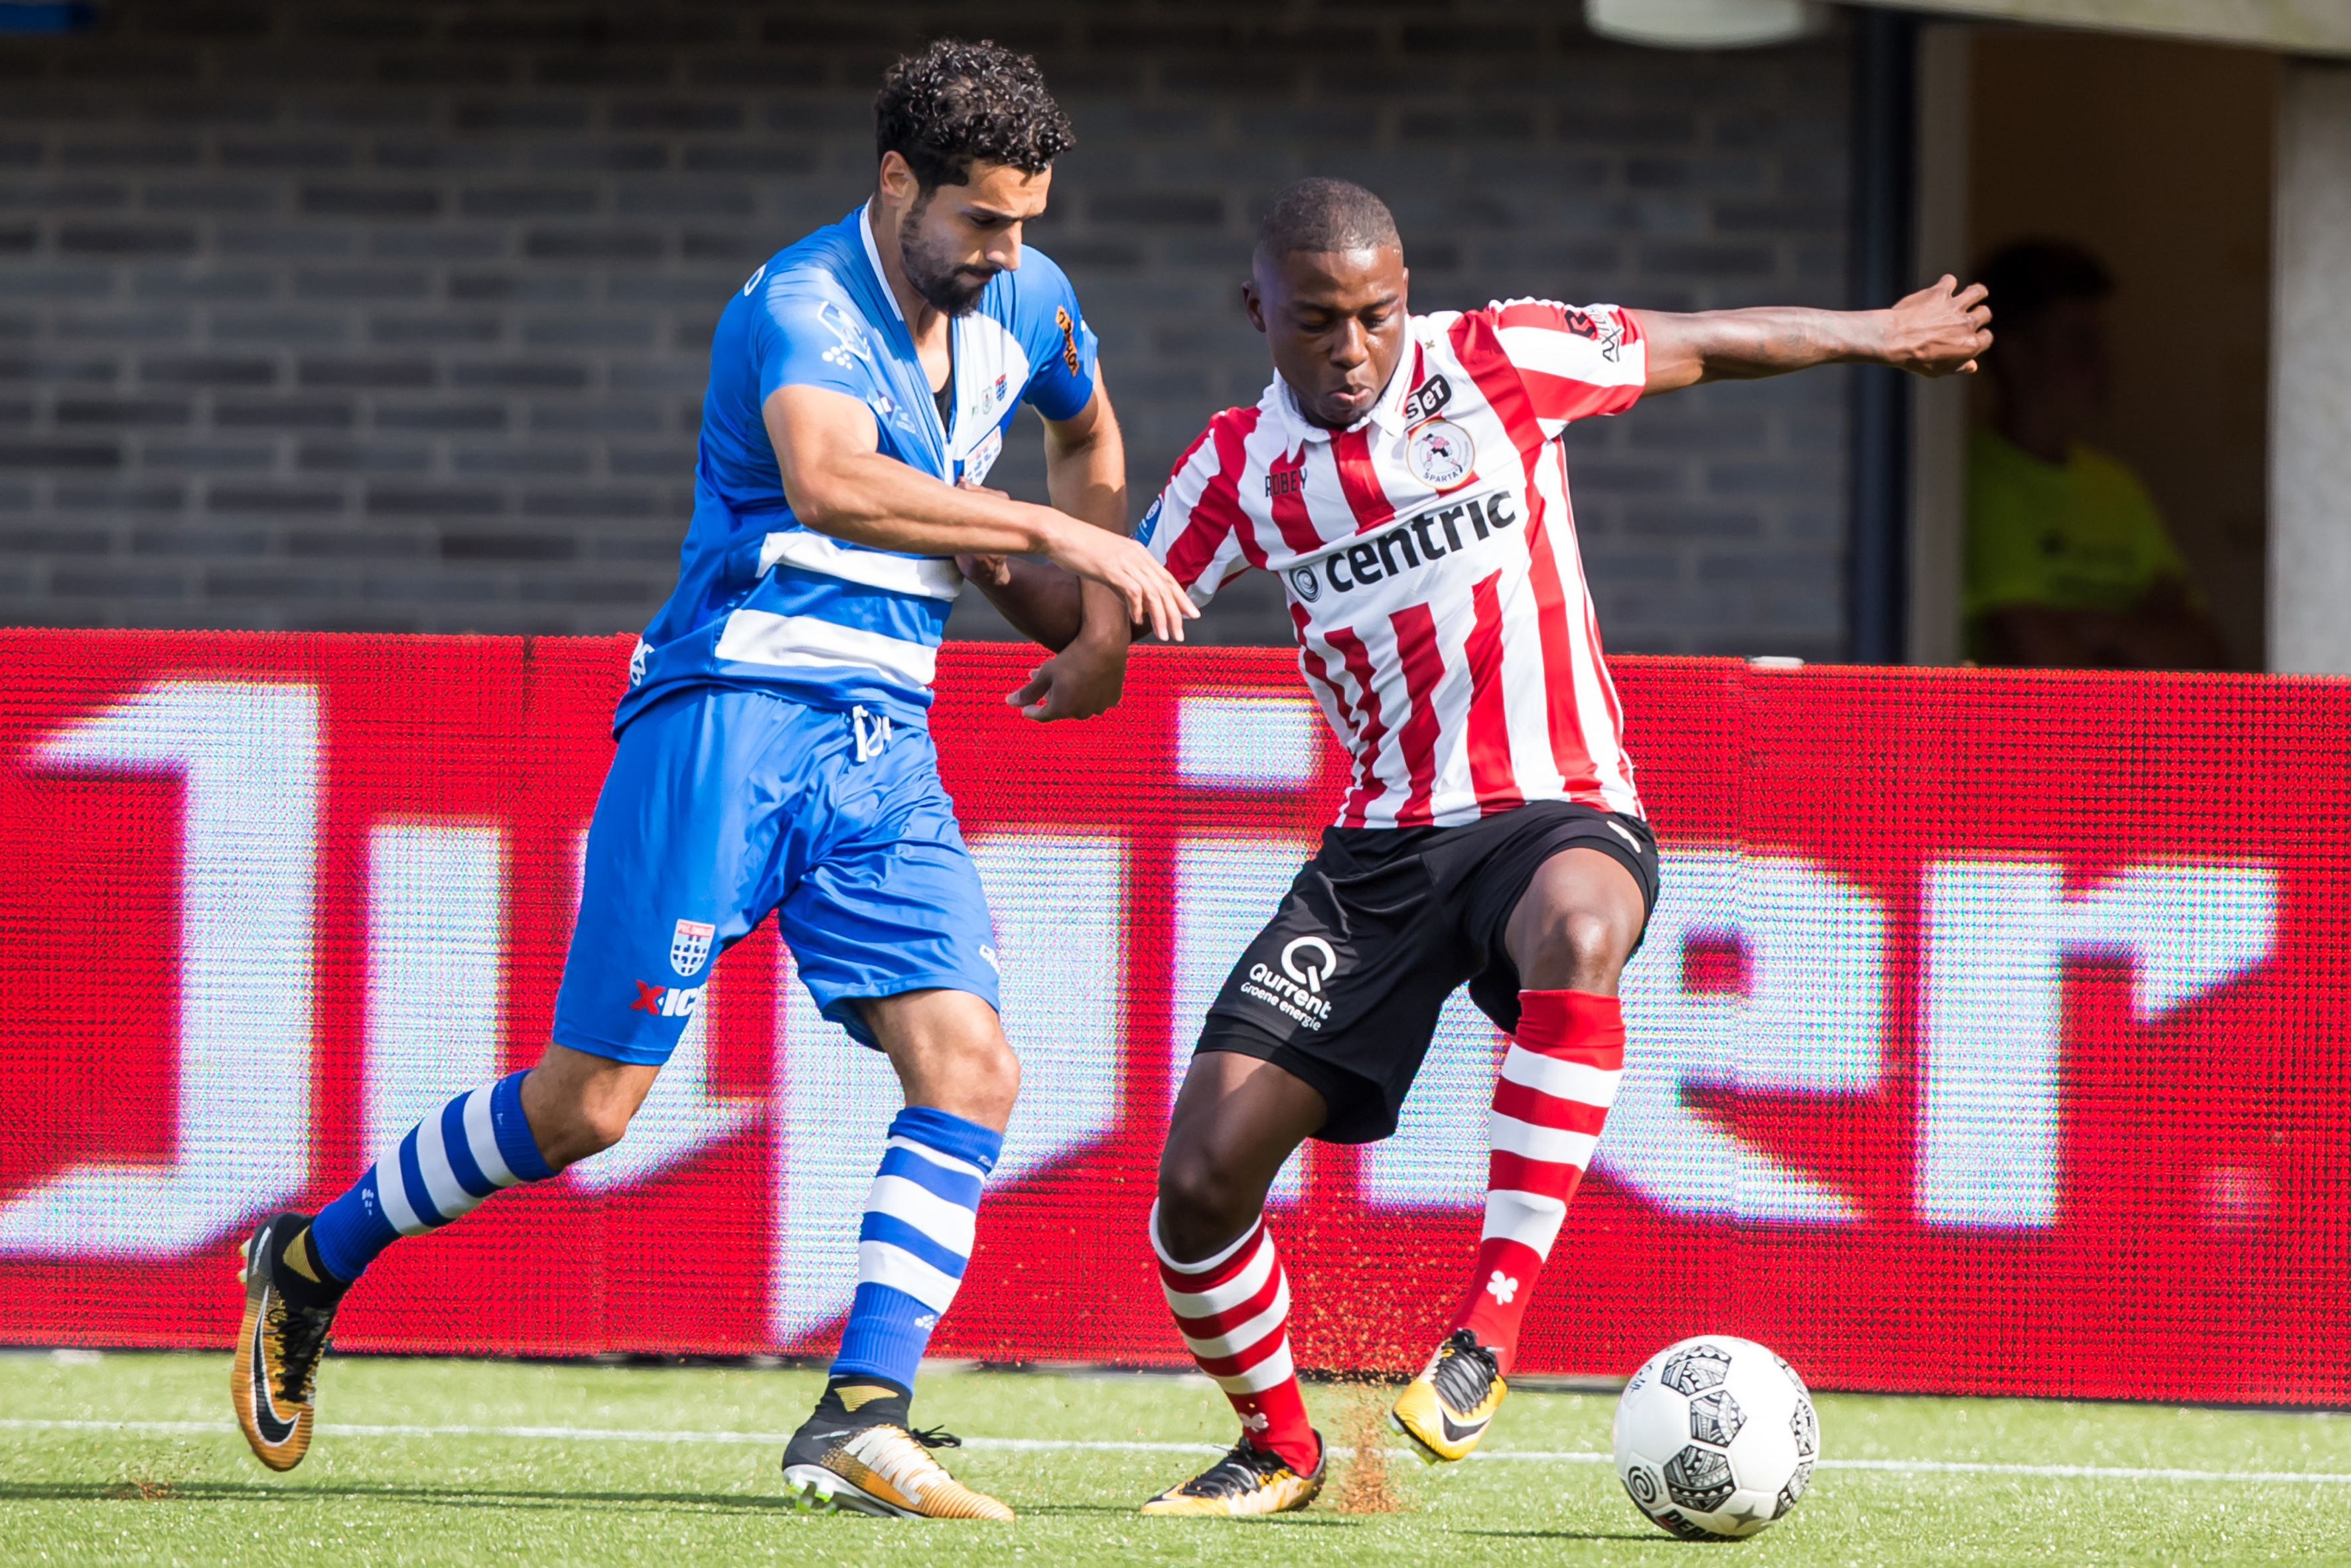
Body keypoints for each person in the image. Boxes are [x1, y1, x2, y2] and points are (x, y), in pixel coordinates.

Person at [228, 38, 1192, 1522]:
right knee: (588, 1107)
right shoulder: (797, 302)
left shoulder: (1033, 301)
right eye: (981, 220)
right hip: (726, 718)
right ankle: (313, 1255)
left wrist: (1106, 635)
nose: (1008, 252)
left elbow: (1091, 430)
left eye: (1026, 221)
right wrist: (1061, 545)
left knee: (974, 1065)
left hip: (882, 741)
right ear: (894, 183)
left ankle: (860, 1411)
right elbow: (830, 480)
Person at [975, 177, 1990, 1516]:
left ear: (1409, 297)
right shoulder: (1235, 469)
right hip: (1379, 851)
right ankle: (1278, 1444)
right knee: (1200, 1177)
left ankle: (1485, 1329)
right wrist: (968, 529)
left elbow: (1701, 339)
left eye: (1377, 314)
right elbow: (1102, 599)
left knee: (1577, 927)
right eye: (1318, 322)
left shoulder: (1494, 359)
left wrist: (1875, 332)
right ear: (1258, 314)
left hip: (1558, 805)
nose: (1353, 349)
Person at [1965, 239, 2227, 669]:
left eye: (2099, 340)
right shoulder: (1975, 482)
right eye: (2078, 342)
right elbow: (2035, 659)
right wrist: (2139, 632)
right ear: (2014, 354)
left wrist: (2106, 629)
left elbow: (2205, 651)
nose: (2101, 362)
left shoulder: (2116, 485)